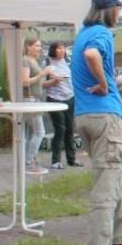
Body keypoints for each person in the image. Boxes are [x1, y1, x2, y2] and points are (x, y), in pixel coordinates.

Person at [72, 0, 122, 245]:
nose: (119, 14)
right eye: (118, 9)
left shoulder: (82, 32)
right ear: (109, 10)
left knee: (118, 178)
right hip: (104, 116)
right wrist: (105, 83)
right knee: (106, 186)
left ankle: (119, 240)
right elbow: (92, 55)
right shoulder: (100, 34)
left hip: (85, 113)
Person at [21, 37, 56, 176]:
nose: (39, 48)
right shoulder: (25, 60)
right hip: (29, 100)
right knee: (39, 131)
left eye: (40, 46)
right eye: (36, 46)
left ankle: (29, 160)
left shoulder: (34, 61)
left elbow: (38, 84)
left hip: (35, 98)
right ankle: (29, 162)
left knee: (30, 133)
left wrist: (53, 81)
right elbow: (25, 82)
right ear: (28, 47)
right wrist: (43, 73)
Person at [44, 40, 77, 169]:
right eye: (59, 48)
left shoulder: (67, 62)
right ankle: (55, 160)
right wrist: (54, 81)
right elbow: (42, 85)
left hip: (69, 97)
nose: (62, 50)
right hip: (55, 98)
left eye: (63, 48)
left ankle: (71, 159)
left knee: (70, 129)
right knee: (60, 128)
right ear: (53, 50)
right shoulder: (47, 63)